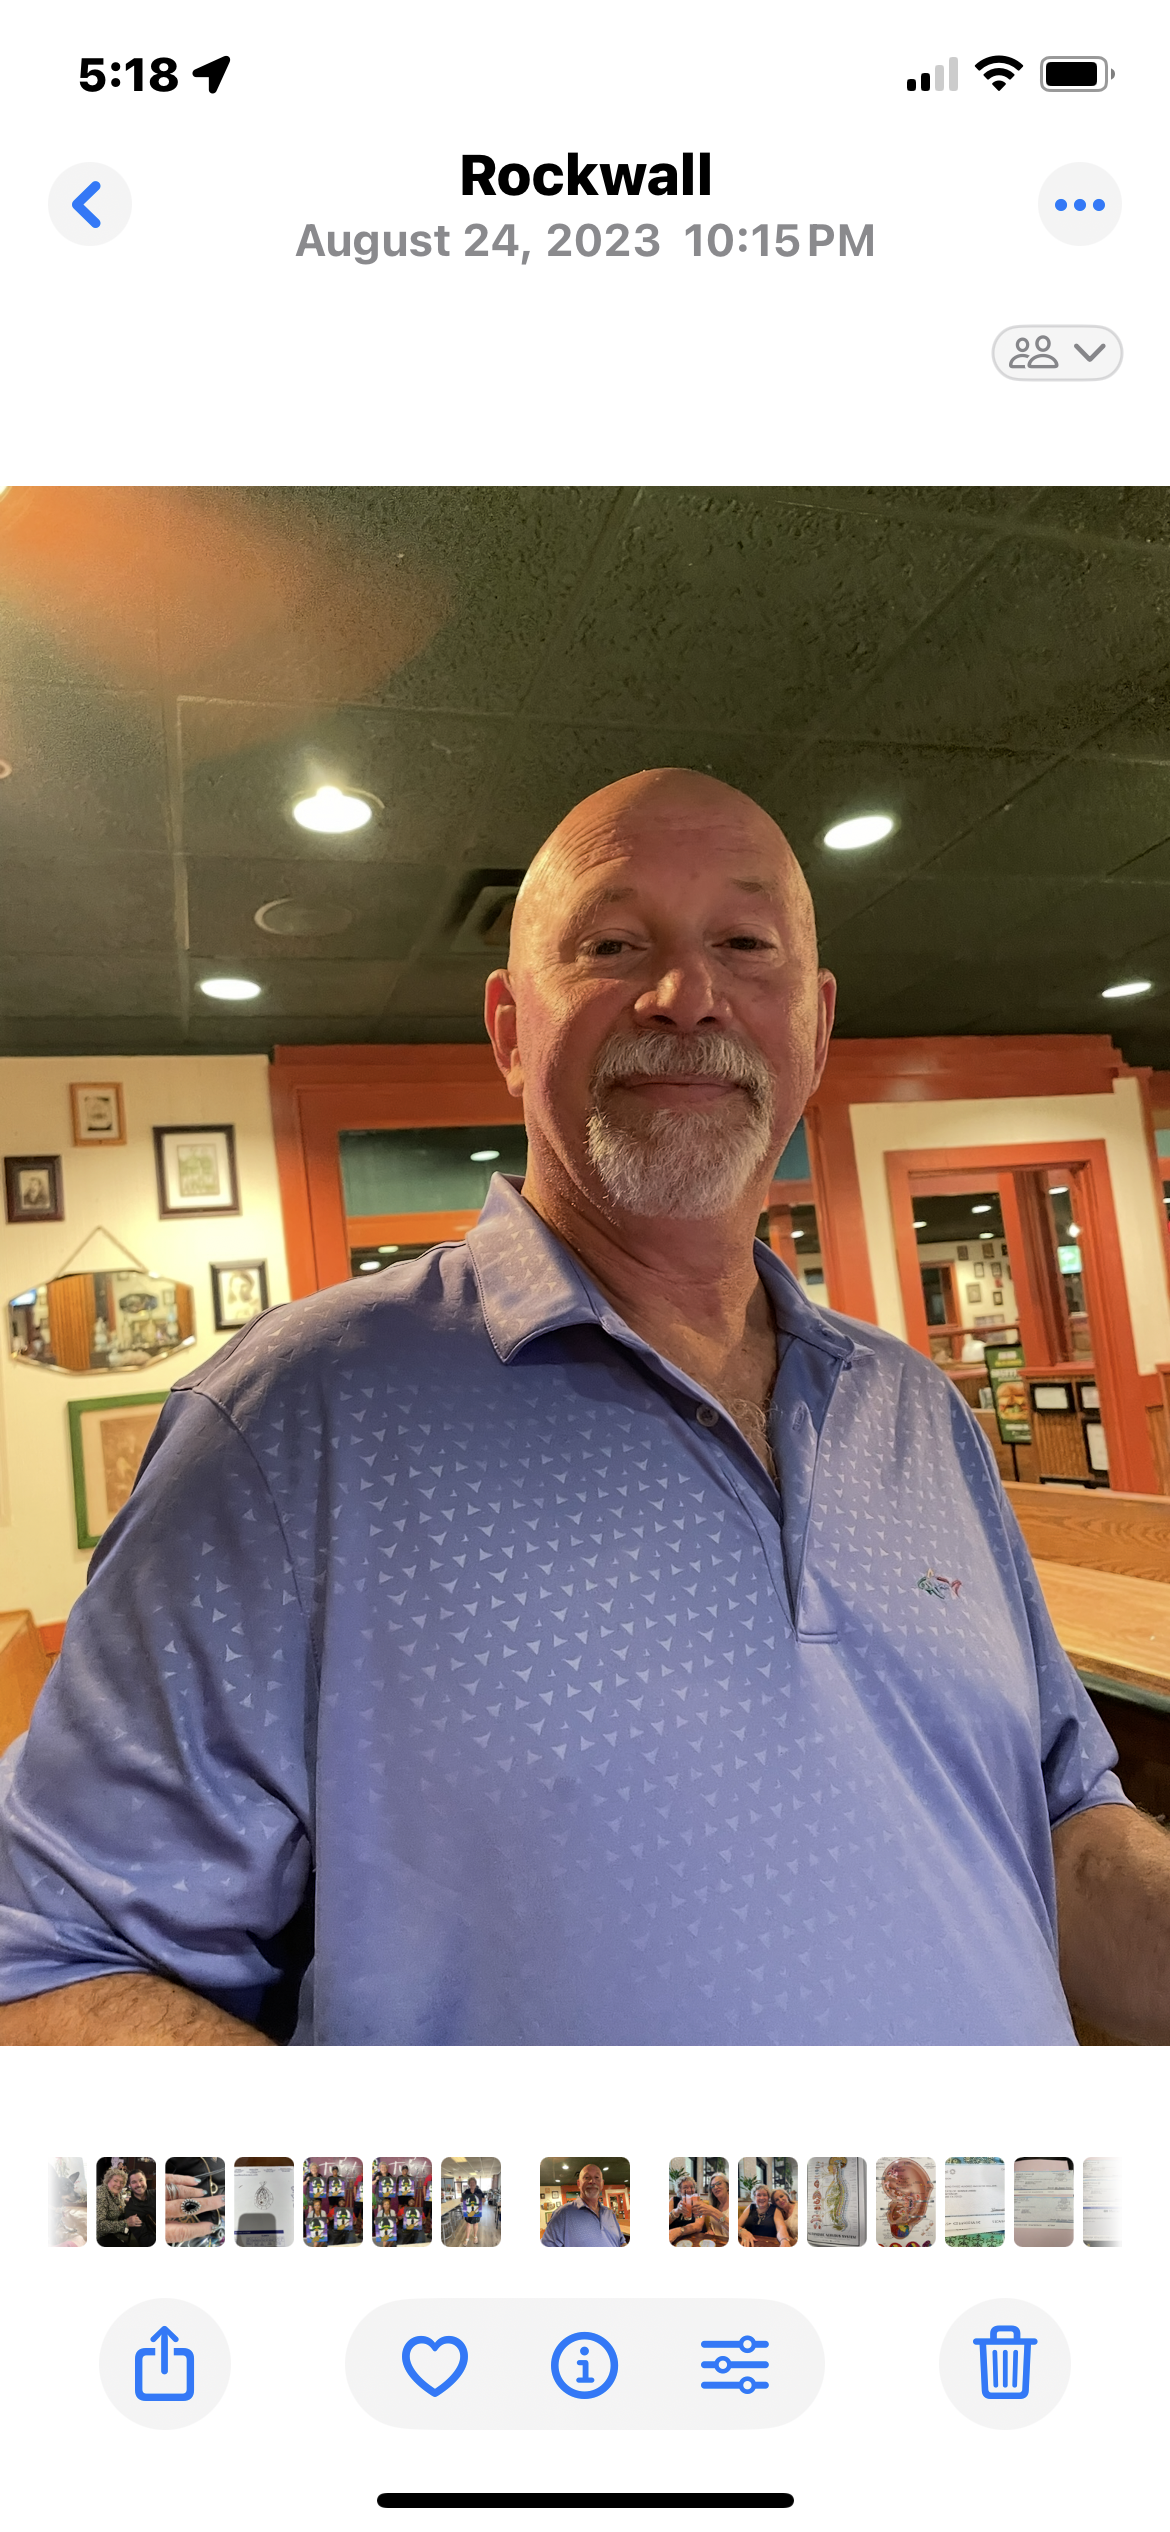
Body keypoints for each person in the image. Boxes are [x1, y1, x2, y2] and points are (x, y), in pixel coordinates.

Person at [1, 768, 1169, 2048]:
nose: (687, 995)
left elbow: (1060, 1832)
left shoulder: (917, 1417)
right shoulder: (291, 1425)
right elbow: (49, 1960)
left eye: (743, 943)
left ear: (817, 1026)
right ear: (508, 1027)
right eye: (614, 945)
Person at [541, 2163, 627, 2246]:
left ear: (602, 2183)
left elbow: (621, 2241)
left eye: (597, 2177)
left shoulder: (610, 2213)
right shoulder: (562, 2214)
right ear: (579, 2183)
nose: (592, 2181)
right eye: (586, 2177)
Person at [739, 2181, 793, 2247]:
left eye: (764, 2195)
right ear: (754, 2197)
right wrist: (742, 2231)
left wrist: (784, 2240)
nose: (762, 2198)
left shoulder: (775, 2209)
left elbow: (781, 2228)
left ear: (768, 2197)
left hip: (769, 2244)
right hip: (749, 2243)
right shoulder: (750, 2207)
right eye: (759, 2195)